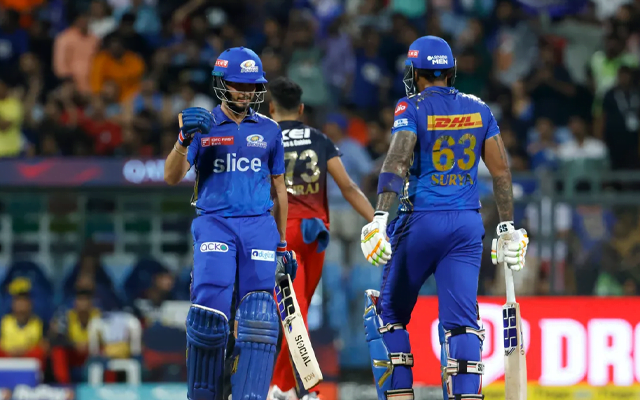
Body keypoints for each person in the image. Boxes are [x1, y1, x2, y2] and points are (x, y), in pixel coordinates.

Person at [359, 36, 530, 400]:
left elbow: (398, 160)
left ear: (415, 73)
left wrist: (379, 217)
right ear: (450, 72)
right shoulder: (479, 108)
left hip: (420, 221)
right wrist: (507, 227)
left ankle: (400, 395)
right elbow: (501, 171)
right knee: (463, 326)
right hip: (466, 226)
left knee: (387, 315)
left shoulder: (410, 106)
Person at [163, 47, 296, 400]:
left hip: (258, 226)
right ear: (222, 83)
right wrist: (182, 140)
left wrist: (282, 244)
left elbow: (279, 190)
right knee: (209, 315)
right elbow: (171, 176)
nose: (246, 93)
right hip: (214, 223)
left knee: (259, 318)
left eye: (252, 86)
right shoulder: (202, 125)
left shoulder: (270, 130)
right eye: (239, 85)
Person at [267, 77, 375, 400]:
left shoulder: (265, 139)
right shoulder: (319, 139)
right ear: (301, 109)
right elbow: (349, 187)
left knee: (294, 312)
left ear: (271, 109)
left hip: (281, 233)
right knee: (297, 311)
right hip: (315, 234)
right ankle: (294, 388)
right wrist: (378, 221)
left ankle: (284, 387)